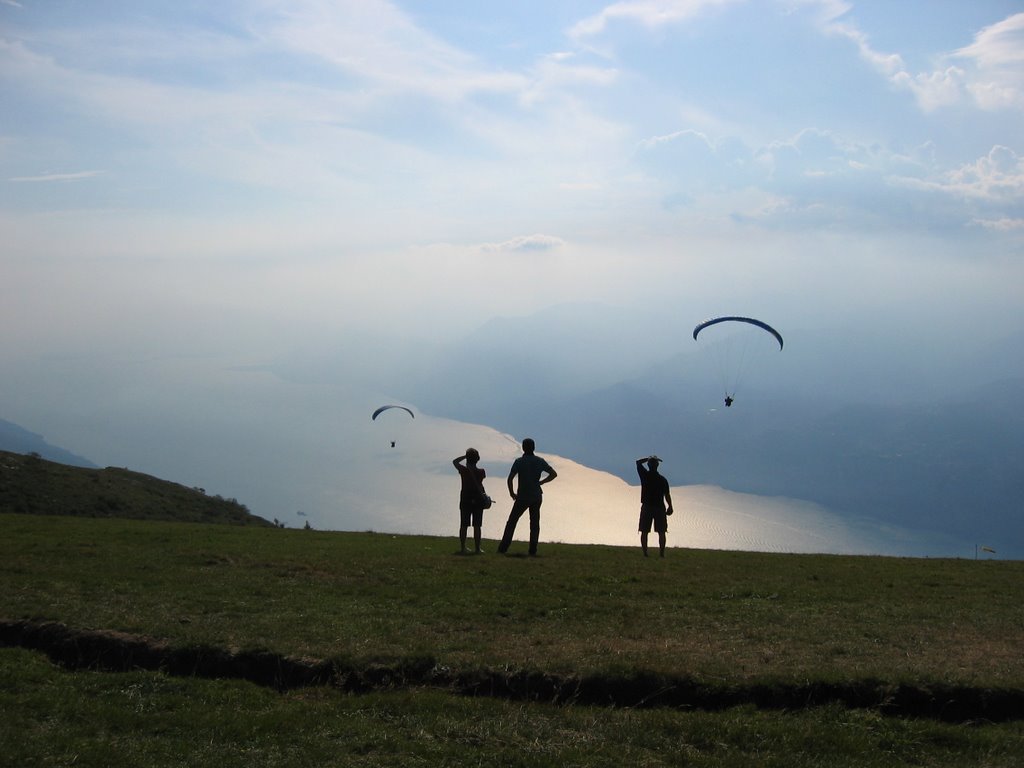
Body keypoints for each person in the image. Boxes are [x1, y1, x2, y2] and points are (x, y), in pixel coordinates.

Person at [498, 438, 557, 556]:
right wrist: (541, 482)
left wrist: (511, 493)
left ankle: (503, 548)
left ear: (523, 448)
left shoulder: (519, 461)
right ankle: (532, 550)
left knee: (512, 521)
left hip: (523, 496)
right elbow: (553, 474)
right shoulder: (540, 461)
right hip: (536, 496)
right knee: (534, 523)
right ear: (533, 447)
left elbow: (510, 479)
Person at [636, 455, 673, 557]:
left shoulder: (645, 476)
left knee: (644, 530)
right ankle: (661, 554)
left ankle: (645, 553)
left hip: (647, 506)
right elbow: (667, 495)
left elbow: (638, 462)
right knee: (661, 531)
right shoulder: (662, 479)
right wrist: (670, 506)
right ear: (657, 466)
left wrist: (648, 458)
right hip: (659, 507)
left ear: (648, 465)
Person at [452, 448, 487, 554]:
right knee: (477, 525)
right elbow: (480, 485)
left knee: (464, 524)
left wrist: (465, 456)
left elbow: (455, 462)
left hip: (465, 498)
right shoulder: (481, 472)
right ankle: (477, 548)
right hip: (477, 499)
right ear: (477, 459)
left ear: (467, 459)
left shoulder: (463, 470)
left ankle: (463, 547)